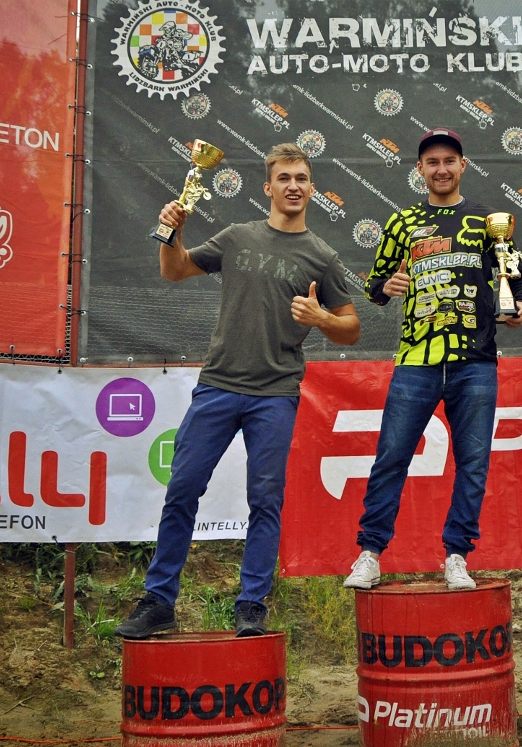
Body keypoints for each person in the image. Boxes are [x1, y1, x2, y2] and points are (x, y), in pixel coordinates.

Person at [115, 142, 360, 639]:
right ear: (268, 187)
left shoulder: (322, 256)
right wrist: (173, 231)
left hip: (276, 394)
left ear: (312, 189)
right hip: (218, 386)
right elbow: (175, 269)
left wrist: (322, 318)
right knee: (182, 491)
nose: (293, 186)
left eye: (301, 178)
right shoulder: (237, 237)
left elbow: (351, 327)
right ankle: (159, 602)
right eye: (284, 178)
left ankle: (251, 606)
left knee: (265, 502)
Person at [343, 128, 522, 592]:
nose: (441, 169)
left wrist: (520, 305)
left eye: (449, 160)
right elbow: (374, 284)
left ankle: (457, 557)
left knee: (473, 463)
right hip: (416, 360)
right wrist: (385, 287)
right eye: (432, 162)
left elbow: (518, 276)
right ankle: (370, 554)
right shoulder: (403, 221)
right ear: (420, 169)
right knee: (391, 457)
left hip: (476, 361)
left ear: (462, 165)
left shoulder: (489, 221)